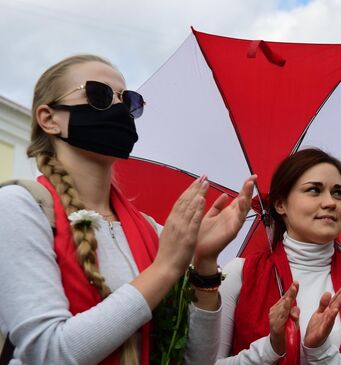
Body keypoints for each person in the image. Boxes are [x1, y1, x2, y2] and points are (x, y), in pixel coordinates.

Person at [0, 54, 255, 364]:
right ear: (49, 118)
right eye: (99, 95)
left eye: (129, 101)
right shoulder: (20, 206)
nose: (120, 109)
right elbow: (49, 352)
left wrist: (203, 264)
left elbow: (197, 360)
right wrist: (166, 268)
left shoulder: (150, 230)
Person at [215, 148, 341, 364]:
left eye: (338, 192)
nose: (331, 202)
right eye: (314, 190)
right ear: (281, 205)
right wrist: (269, 348)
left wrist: (321, 351)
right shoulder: (239, 273)